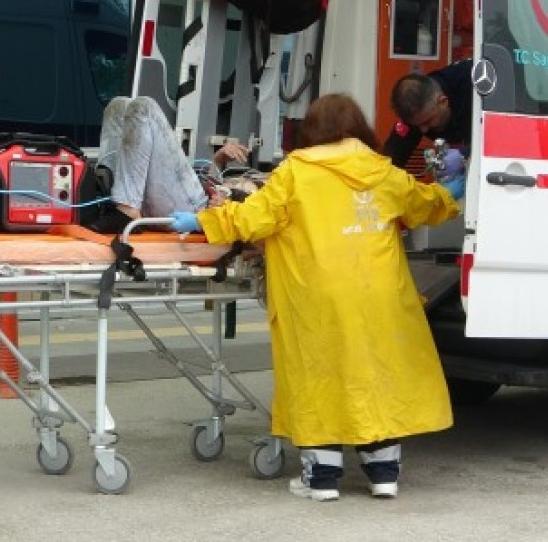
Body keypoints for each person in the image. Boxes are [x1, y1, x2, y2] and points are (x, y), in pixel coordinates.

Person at [169, 93, 461, 502]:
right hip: (378, 294)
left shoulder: (296, 173)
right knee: (375, 374)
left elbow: (251, 219)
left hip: (316, 294)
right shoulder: (382, 171)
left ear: (313, 130)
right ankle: (383, 473)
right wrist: (451, 189)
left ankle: (321, 478)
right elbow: (426, 204)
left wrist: (200, 220)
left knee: (318, 374)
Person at [88, 95, 249, 232]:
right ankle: (107, 196)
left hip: (196, 210)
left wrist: (226, 206)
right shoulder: (269, 185)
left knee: (144, 107)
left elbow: (250, 220)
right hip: (196, 195)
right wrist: (219, 159)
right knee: (117, 106)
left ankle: (127, 211)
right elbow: (215, 185)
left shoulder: (266, 197)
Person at [382, 60, 473, 196]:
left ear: (443, 101)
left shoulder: (473, 86)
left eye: (428, 121)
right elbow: (389, 161)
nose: (423, 130)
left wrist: (466, 153)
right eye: (417, 125)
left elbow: (504, 136)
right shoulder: (416, 111)